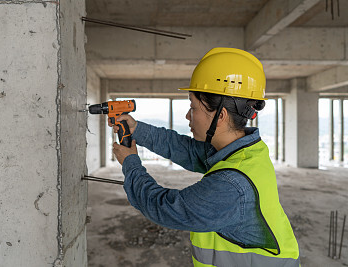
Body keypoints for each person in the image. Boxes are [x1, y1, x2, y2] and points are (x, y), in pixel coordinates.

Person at [109, 47, 300, 267]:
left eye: (193, 107)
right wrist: (136, 129)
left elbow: (165, 208)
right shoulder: (247, 151)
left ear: (221, 115)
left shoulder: (231, 185)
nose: (188, 115)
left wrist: (131, 164)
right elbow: (186, 149)